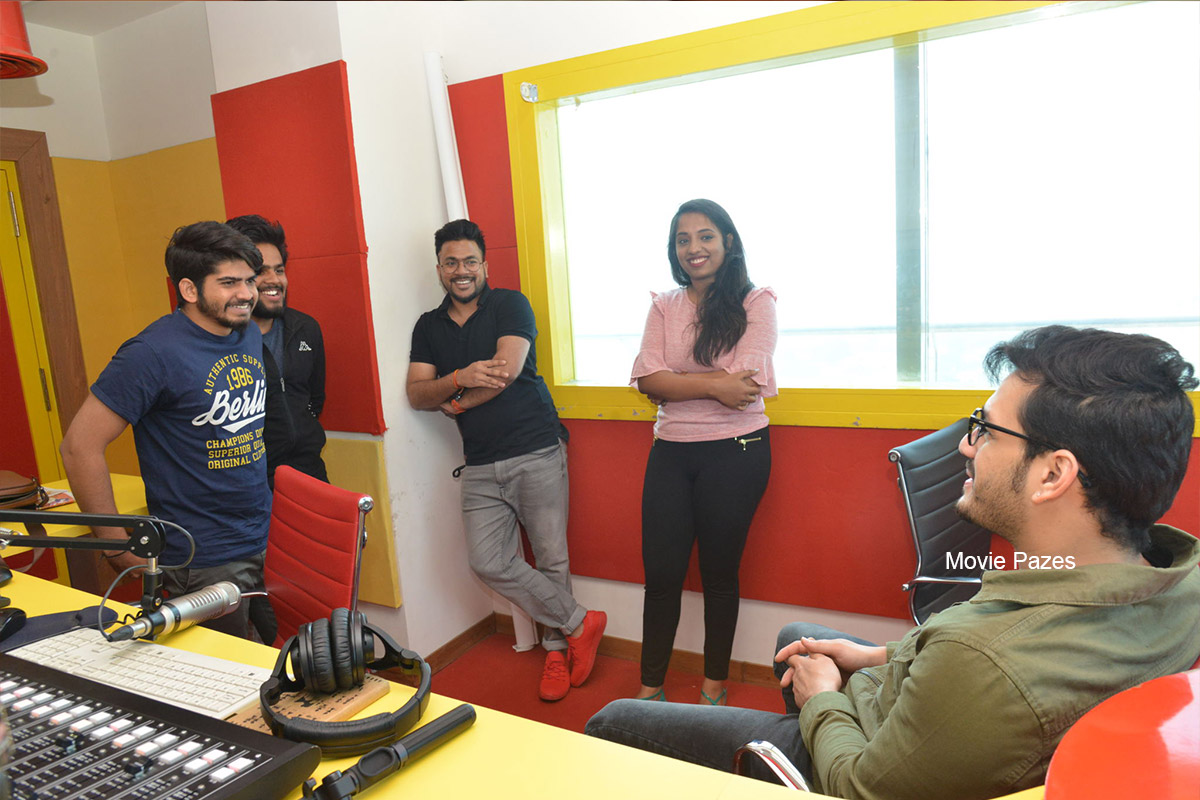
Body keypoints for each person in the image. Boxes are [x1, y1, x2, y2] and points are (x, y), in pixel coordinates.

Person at [587, 325, 1200, 800]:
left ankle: (792, 757)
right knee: (797, 636)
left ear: (1052, 474)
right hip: (931, 712)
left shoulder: (981, 661)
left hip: (861, 760)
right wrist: (878, 656)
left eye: (986, 430)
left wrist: (823, 698)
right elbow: (967, 651)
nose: (968, 446)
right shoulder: (1176, 577)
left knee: (613, 722)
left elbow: (862, 786)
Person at [406, 218, 606, 702]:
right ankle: (580, 623)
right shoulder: (429, 326)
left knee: (551, 557)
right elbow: (416, 393)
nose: (461, 270)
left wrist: (455, 403)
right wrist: (460, 377)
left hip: (535, 448)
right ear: (439, 268)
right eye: (451, 262)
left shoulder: (510, 304)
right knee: (487, 560)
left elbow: (508, 371)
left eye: (470, 261)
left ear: (484, 265)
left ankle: (556, 651)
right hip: (479, 462)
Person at [60, 221, 272, 640]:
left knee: (285, 656)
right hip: (202, 556)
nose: (246, 293)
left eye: (249, 280)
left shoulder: (245, 333)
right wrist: (117, 547)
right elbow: (79, 447)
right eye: (229, 282)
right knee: (225, 672)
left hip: (265, 535)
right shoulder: (151, 353)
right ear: (189, 289)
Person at [629, 199, 777, 705]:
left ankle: (713, 686)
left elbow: (746, 386)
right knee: (661, 577)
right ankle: (650, 688)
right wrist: (714, 384)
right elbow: (647, 379)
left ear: (728, 242)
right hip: (671, 452)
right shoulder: (664, 305)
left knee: (719, 575)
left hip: (737, 452)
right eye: (683, 239)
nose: (694, 247)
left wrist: (679, 382)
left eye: (706, 236)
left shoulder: (756, 302)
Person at [225, 214, 328, 489]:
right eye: (260, 272)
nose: (274, 280)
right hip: (253, 486)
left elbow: (314, 400)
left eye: (279, 270)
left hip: (310, 474)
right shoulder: (221, 340)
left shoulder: (306, 328)